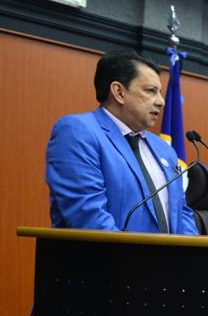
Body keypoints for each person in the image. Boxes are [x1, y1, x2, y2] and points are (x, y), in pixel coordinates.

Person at [46, 50, 198, 235]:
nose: (161, 101)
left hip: (168, 263)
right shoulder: (78, 132)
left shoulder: (163, 149)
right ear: (118, 92)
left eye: (160, 92)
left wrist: (190, 258)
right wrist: (136, 262)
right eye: (151, 91)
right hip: (109, 262)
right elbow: (89, 217)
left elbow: (181, 213)